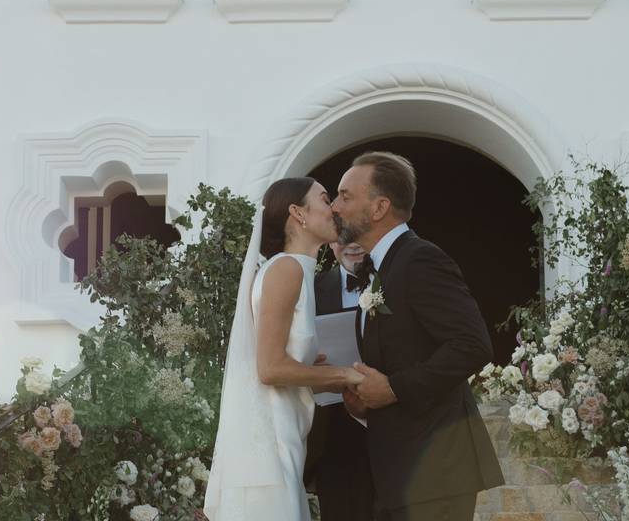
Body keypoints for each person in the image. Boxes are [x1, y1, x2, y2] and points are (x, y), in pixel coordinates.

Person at [332, 152, 504, 521]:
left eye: (345, 196)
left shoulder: (420, 259)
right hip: (399, 470)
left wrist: (393, 388)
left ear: (379, 208)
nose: (334, 206)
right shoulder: (381, 267)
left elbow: (472, 345)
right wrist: (364, 402)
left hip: (435, 471)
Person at [205, 178, 365, 521]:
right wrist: (342, 373)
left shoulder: (297, 270)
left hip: (287, 441)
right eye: (325, 199)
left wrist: (314, 372)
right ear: (298, 213)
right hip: (268, 451)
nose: (334, 207)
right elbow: (269, 368)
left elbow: (282, 365)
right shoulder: (286, 269)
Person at [304, 242, 375, 521]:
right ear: (331, 242)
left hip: (391, 425)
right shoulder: (308, 288)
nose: (352, 243)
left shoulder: (395, 278)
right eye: (343, 236)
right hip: (332, 433)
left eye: (357, 232)